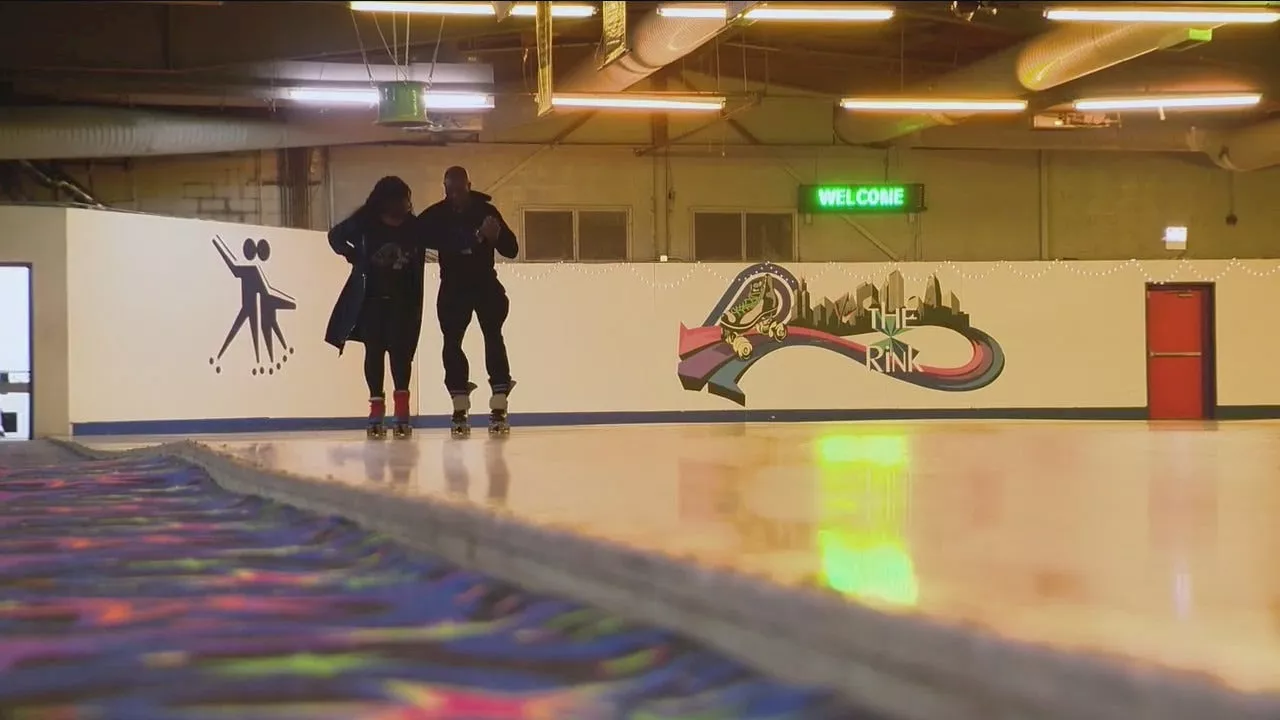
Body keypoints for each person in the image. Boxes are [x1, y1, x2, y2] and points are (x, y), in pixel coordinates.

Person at [417, 165, 518, 436]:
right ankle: (459, 403)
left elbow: (512, 249)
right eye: (450, 192)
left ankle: (499, 402)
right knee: (452, 343)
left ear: (469, 186)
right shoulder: (437, 214)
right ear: (445, 190)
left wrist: (496, 238)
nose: (454, 197)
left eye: (459, 191)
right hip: (453, 287)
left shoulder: (485, 211)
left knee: (493, 337)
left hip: (484, 283)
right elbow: (418, 233)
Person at [324, 176, 425, 439]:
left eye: (406, 200)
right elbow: (335, 236)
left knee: (401, 355)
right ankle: (376, 408)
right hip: (372, 301)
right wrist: (354, 255)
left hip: (403, 301)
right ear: (385, 201)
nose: (404, 205)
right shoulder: (366, 222)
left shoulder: (414, 227)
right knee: (375, 352)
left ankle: (401, 410)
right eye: (399, 200)